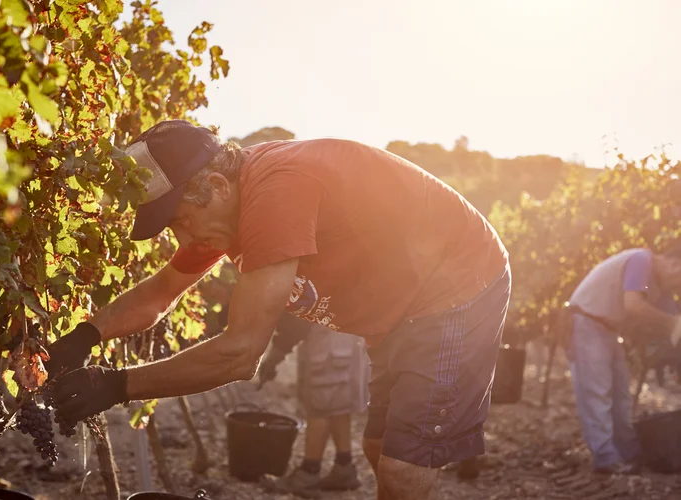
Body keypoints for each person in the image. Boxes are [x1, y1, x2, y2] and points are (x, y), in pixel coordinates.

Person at [46, 120, 510, 500]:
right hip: (399, 312)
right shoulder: (225, 207)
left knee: (405, 468)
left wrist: (117, 385)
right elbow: (161, 291)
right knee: (379, 447)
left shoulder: (276, 193)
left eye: (181, 222)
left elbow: (240, 353)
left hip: (454, 289)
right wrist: (83, 337)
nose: (183, 241)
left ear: (215, 184)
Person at [566, 246, 681, 475]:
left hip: (609, 329)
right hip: (586, 322)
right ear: (674, 264)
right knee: (597, 394)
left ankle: (630, 454)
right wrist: (672, 324)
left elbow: (674, 330)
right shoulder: (641, 260)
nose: (677, 287)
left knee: (621, 396)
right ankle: (606, 460)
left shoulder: (661, 287)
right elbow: (634, 305)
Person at [257, 314, 369, 497]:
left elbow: (295, 323)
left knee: (320, 406)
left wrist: (276, 354)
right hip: (345, 336)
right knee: (337, 403)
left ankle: (308, 473)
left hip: (329, 338)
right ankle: (344, 467)